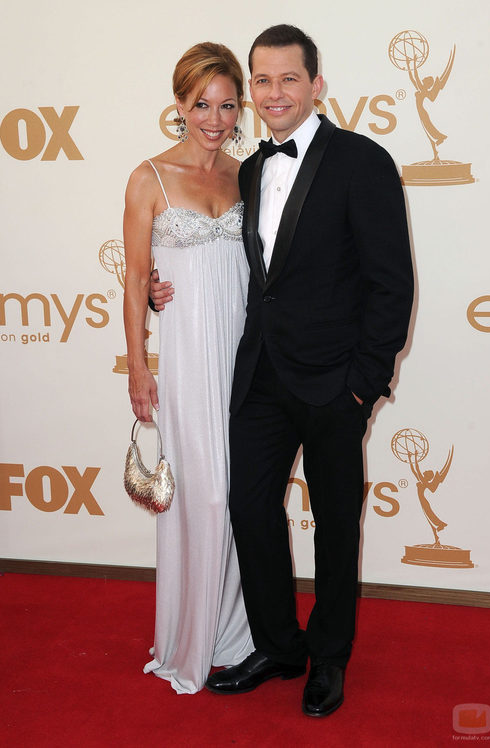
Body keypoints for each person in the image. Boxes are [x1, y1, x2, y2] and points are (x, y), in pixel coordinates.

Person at [152, 24, 414, 716]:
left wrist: (363, 385)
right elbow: (228, 266)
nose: (273, 93)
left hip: (335, 385)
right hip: (260, 379)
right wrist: (158, 286)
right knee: (248, 509)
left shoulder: (362, 161)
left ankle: (328, 657)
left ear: (315, 84)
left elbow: (392, 285)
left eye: (288, 79)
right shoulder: (247, 170)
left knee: (335, 525)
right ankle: (277, 644)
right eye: (261, 81)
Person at [123, 41, 253, 695]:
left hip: (248, 361)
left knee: (242, 499)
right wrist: (137, 367)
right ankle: (192, 636)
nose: (215, 119)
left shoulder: (247, 175)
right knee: (204, 496)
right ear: (180, 104)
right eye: (202, 104)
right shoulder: (149, 176)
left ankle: (236, 632)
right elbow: (134, 279)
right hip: (187, 361)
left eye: (227, 106)